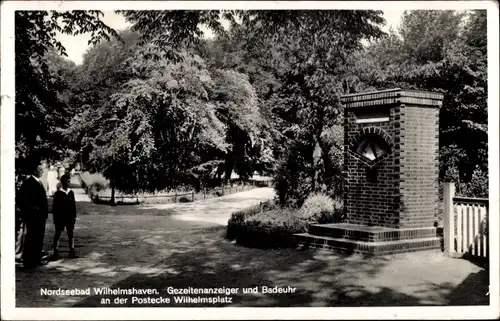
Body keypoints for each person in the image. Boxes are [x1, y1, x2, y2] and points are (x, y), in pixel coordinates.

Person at [16, 164, 49, 269]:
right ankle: (28, 261)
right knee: (31, 237)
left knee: (39, 237)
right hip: (33, 216)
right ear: (35, 170)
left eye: (42, 169)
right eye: (40, 169)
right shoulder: (28, 183)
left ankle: (36, 258)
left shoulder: (39, 182)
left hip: (41, 217)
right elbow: (20, 199)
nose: (42, 171)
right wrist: (29, 210)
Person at [51, 174, 78, 259]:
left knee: (71, 234)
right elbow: (54, 208)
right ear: (63, 182)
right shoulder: (58, 194)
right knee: (58, 234)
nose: (69, 183)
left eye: (70, 181)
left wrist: (74, 216)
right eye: (68, 181)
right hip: (60, 218)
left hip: (70, 218)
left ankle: (72, 251)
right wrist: (55, 220)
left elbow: (73, 206)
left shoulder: (71, 192)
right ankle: (55, 251)